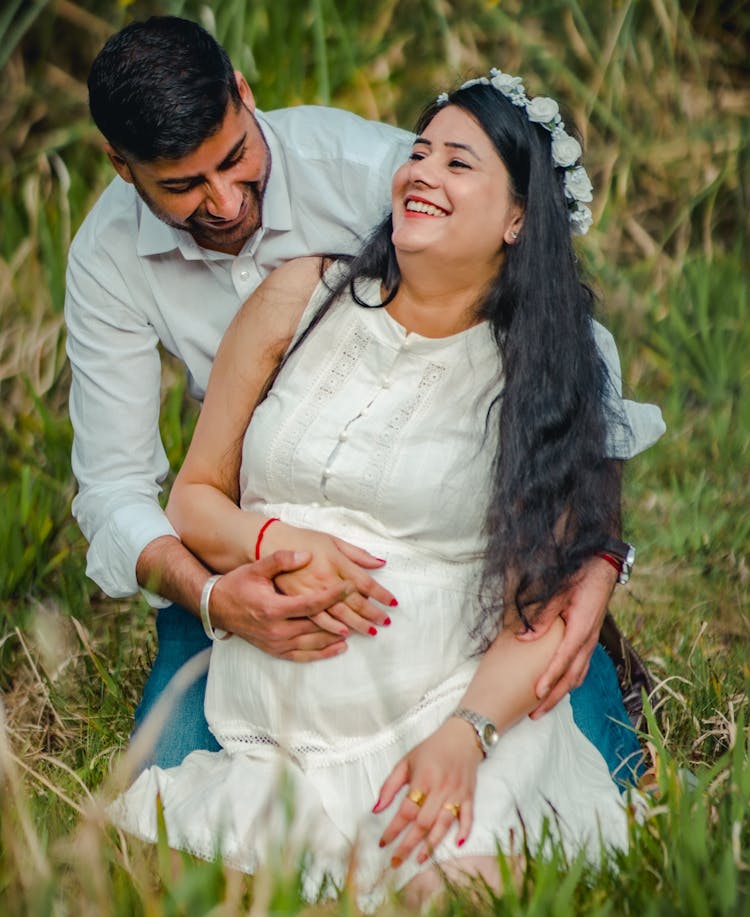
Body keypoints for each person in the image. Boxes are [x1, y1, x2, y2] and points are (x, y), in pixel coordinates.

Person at [109, 69, 665, 906]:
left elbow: (538, 607)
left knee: (438, 889)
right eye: (418, 152)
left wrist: (465, 735)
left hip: (438, 710)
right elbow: (193, 497)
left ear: (519, 218)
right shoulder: (302, 292)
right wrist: (273, 542)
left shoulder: (541, 374)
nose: (420, 173)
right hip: (273, 736)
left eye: (459, 163)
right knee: (155, 872)